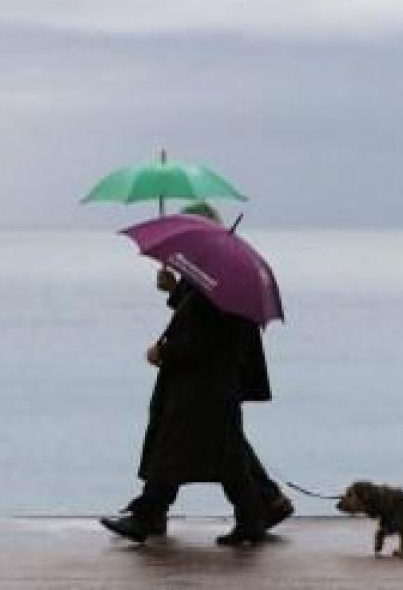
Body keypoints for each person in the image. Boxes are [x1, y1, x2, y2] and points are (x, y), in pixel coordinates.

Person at [101, 202, 292, 546]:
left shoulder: (214, 285)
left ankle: (149, 514)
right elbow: (201, 316)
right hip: (215, 384)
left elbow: (200, 335)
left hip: (200, 385)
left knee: (176, 448)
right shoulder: (219, 282)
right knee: (225, 455)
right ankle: (254, 513)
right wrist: (174, 288)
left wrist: (164, 352)